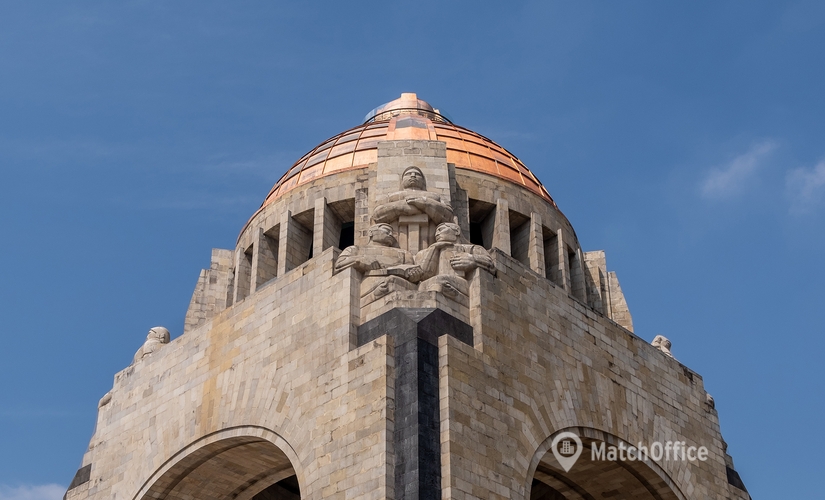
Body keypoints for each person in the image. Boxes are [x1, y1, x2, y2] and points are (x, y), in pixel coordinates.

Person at [334, 223, 421, 282]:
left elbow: (411, 270)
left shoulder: (404, 253)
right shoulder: (356, 249)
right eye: (386, 231)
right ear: (371, 233)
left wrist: (414, 275)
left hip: (401, 283)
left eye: (392, 233)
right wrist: (359, 260)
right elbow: (338, 265)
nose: (390, 234)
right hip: (371, 283)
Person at [372, 166, 455, 226]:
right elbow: (377, 216)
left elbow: (449, 216)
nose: (413, 175)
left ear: (423, 181)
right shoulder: (389, 196)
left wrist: (426, 204)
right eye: (408, 174)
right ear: (402, 180)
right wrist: (400, 206)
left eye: (417, 174)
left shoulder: (437, 196)